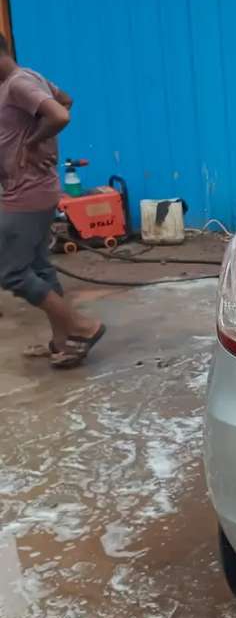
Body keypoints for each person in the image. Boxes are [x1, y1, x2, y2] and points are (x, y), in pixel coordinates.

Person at [0, 33, 105, 368]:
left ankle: (82, 327)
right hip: (36, 189)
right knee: (40, 267)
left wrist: (33, 143)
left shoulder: (17, 84)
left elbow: (60, 115)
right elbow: (66, 100)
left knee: (13, 272)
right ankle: (63, 341)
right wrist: (40, 141)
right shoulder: (29, 77)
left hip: (25, 194)